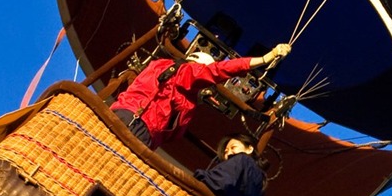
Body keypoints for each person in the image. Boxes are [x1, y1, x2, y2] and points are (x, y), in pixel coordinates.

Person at [111, 43, 290, 150]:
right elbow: (218, 71)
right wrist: (266, 58)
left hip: (120, 112)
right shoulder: (188, 72)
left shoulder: (160, 65)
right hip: (139, 125)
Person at [195, 133, 267, 196]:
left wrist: (199, 176)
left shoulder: (242, 159)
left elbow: (220, 182)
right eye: (225, 151)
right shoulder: (259, 181)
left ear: (249, 149)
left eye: (233, 147)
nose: (228, 153)